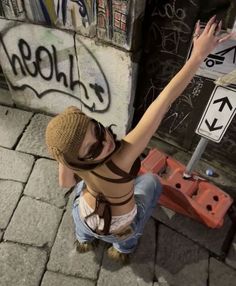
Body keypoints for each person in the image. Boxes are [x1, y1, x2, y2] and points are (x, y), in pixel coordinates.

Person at [45, 16, 232, 263]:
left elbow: (64, 183)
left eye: (99, 130)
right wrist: (197, 56)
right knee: (152, 182)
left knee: (80, 196)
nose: (105, 143)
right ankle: (121, 250)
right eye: (93, 149)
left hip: (85, 216)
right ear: (78, 159)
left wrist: (66, 150)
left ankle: (84, 240)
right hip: (120, 226)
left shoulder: (73, 161)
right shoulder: (122, 159)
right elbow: (163, 102)